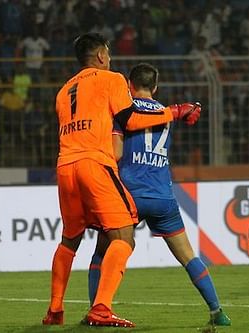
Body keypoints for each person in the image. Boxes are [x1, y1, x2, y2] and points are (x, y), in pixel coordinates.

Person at [42, 33, 202, 327]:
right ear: (102, 55)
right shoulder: (111, 79)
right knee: (124, 235)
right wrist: (174, 112)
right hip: (95, 163)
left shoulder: (64, 91)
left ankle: (55, 310)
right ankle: (101, 308)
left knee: (70, 239)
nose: (111, 59)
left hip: (65, 167)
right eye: (109, 54)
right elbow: (131, 120)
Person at [86, 63, 231, 326]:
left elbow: (117, 153)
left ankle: (97, 310)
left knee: (102, 252)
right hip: (163, 195)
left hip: (128, 195)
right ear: (155, 86)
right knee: (188, 256)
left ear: (129, 85)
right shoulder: (166, 114)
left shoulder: (123, 112)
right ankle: (217, 311)